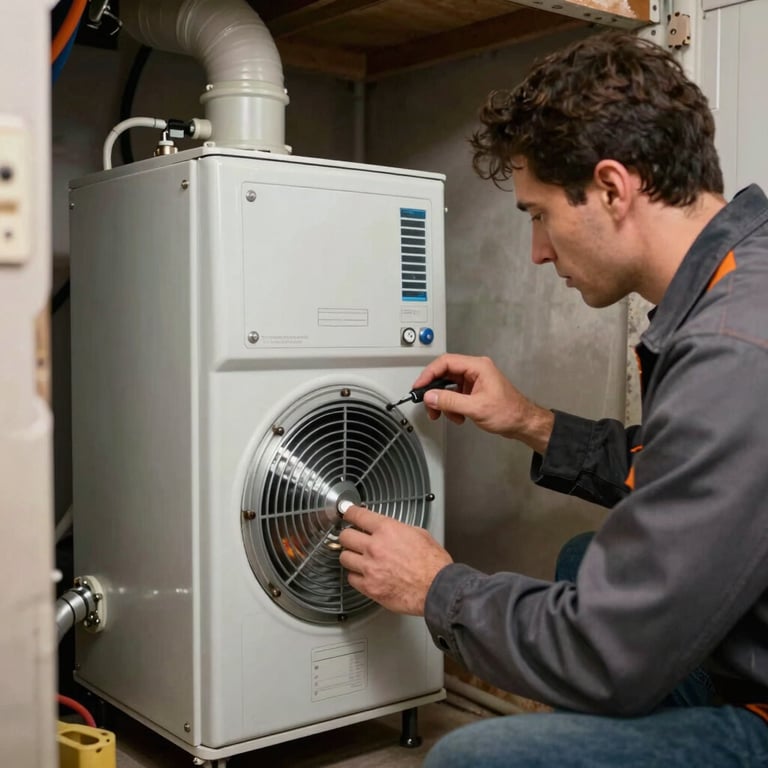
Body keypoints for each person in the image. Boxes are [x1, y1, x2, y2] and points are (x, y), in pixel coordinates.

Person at [337, 29, 768, 767]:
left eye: (538, 214)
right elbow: (694, 481)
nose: (538, 251)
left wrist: (437, 586)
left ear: (611, 187)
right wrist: (529, 421)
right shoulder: (739, 278)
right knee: (580, 560)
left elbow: (606, 649)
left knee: (468, 760)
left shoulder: (733, 347)